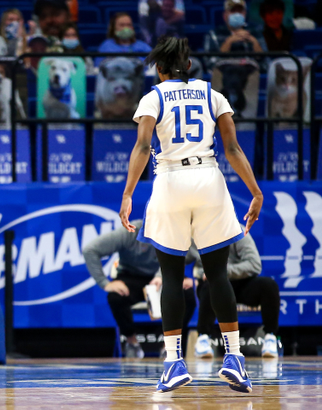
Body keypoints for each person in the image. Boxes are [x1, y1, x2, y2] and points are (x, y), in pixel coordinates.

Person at [120, 36, 263, 393]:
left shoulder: (154, 96)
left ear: (159, 68)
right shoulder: (213, 95)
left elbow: (142, 146)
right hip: (209, 178)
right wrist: (255, 191)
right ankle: (234, 359)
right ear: (189, 66)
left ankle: (173, 363)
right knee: (217, 275)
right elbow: (231, 148)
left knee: (171, 276)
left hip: (170, 179)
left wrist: (128, 194)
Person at [83, 219, 197, 358]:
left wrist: (195, 278)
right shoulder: (130, 232)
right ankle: (132, 342)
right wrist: (105, 283)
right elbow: (90, 249)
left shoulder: (175, 231)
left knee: (188, 295)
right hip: (133, 277)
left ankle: (169, 346)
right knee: (115, 296)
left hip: (167, 273)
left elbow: (201, 254)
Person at [192, 231, 280, 358]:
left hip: (240, 283)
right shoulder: (196, 233)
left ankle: (270, 337)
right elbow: (176, 260)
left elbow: (254, 264)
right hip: (213, 284)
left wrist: (223, 272)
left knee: (269, 285)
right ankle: (203, 338)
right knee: (210, 286)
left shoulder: (238, 232)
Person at [204, 0, 267, 71]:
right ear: (225, 15)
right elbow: (210, 64)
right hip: (224, 75)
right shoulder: (213, 34)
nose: (237, 14)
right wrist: (229, 42)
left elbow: (265, 64)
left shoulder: (255, 33)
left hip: (250, 73)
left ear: (245, 14)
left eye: (240, 11)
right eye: (233, 11)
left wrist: (254, 42)